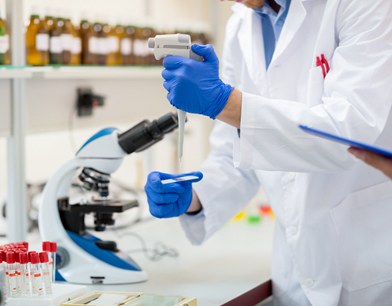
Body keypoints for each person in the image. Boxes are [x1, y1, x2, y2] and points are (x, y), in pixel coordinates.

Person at [145, 0, 392, 305]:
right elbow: (235, 153)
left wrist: (225, 103)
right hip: (295, 272)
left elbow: (350, 135)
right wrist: (195, 196)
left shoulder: (364, 4)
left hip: (370, 272)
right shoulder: (240, 26)